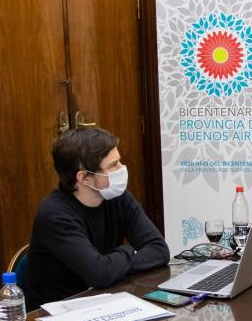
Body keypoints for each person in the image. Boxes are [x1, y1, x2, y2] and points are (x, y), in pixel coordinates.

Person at [23, 127, 169, 309]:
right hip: (61, 317)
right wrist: (130, 251)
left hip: (106, 303)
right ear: (83, 178)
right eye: (113, 165)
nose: (122, 168)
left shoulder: (118, 197)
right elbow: (99, 273)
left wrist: (112, 264)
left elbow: (159, 250)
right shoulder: (55, 215)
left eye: (119, 161)